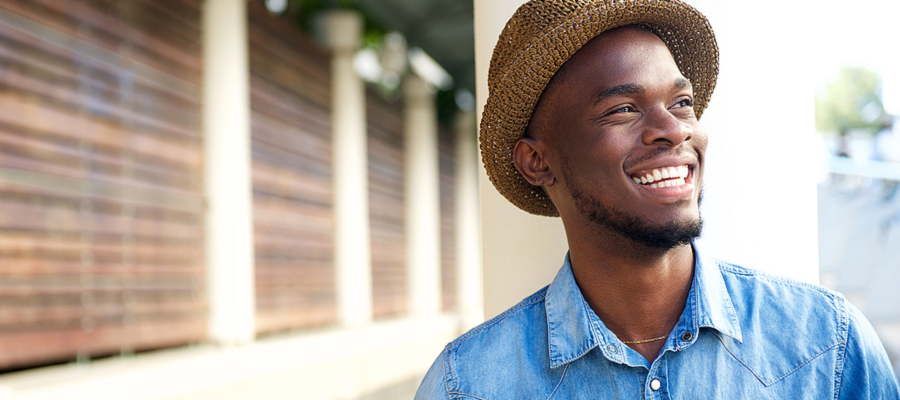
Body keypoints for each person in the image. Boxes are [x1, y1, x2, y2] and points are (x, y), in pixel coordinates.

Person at [415, 0, 900, 398]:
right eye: (623, 109)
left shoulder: (828, 346)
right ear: (537, 161)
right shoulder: (467, 386)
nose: (674, 129)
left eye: (681, 103)